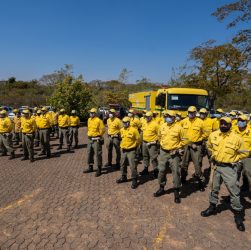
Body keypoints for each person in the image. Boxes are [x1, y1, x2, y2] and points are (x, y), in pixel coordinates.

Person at [201, 117, 248, 232]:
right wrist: (212, 155)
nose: (222, 125)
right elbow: (209, 145)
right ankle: (212, 207)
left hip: (229, 168)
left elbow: (245, 152)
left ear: (230, 125)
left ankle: (238, 215)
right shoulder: (214, 135)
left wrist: (236, 159)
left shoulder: (237, 138)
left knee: (234, 191)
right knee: (214, 188)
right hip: (216, 166)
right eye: (221, 123)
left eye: (225, 124)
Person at [153, 111, 188, 203]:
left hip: (174, 153)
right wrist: (162, 145)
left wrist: (178, 148)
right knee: (161, 170)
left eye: (169, 116)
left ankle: (176, 192)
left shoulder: (179, 128)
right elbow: (159, 137)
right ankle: (161, 187)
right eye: (166, 116)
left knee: (176, 172)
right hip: (163, 152)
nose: (167, 118)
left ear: (173, 118)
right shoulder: (162, 126)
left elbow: (185, 140)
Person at [181, 106, 206, 191]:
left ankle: (201, 182)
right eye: (189, 112)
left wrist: (199, 139)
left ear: (196, 112)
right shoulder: (183, 121)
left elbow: (206, 133)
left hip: (196, 146)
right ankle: (183, 179)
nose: (191, 113)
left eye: (193, 112)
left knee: (197, 165)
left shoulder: (200, 122)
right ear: (187, 112)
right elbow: (179, 132)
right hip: (186, 146)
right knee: (184, 164)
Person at [116, 116, 140, 189]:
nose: (124, 124)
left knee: (133, 166)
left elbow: (138, 140)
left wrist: (135, 148)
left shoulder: (134, 130)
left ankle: (134, 179)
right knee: (122, 164)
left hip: (131, 151)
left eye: (126, 122)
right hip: (123, 150)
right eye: (123, 122)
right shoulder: (122, 130)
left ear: (129, 122)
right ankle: (123, 177)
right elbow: (121, 138)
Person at [84, 108, 105, 177]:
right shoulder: (89, 120)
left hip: (96, 140)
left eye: (93, 113)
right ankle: (90, 167)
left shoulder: (99, 121)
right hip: (90, 139)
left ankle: (99, 168)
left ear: (95, 113)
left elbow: (102, 130)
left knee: (98, 154)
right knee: (89, 153)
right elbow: (88, 128)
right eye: (90, 112)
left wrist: (98, 135)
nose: (91, 114)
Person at [234, 115, 251, 193]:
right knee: (234, 175)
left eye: (242, 121)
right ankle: (234, 193)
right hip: (236, 157)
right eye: (239, 120)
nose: (240, 122)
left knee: (248, 172)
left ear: (246, 122)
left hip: (247, 157)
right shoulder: (233, 131)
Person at [140, 111, 159, 178]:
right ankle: (146, 169)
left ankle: (156, 171)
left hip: (152, 144)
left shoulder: (155, 124)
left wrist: (154, 142)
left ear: (151, 117)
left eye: (148, 117)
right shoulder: (144, 123)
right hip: (144, 142)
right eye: (146, 117)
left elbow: (159, 135)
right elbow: (142, 131)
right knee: (145, 156)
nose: (146, 118)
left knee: (153, 158)